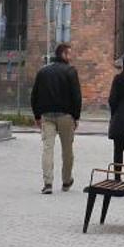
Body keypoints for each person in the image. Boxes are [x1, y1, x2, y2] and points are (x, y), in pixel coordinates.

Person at [30, 42, 83, 195]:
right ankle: (66, 181)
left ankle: (48, 183)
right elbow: (76, 96)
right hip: (66, 116)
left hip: (47, 116)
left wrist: (37, 115)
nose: (71, 56)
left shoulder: (43, 72)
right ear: (63, 54)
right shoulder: (71, 72)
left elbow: (34, 96)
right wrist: (76, 116)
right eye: (69, 53)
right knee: (67, 150)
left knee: (48, 149)